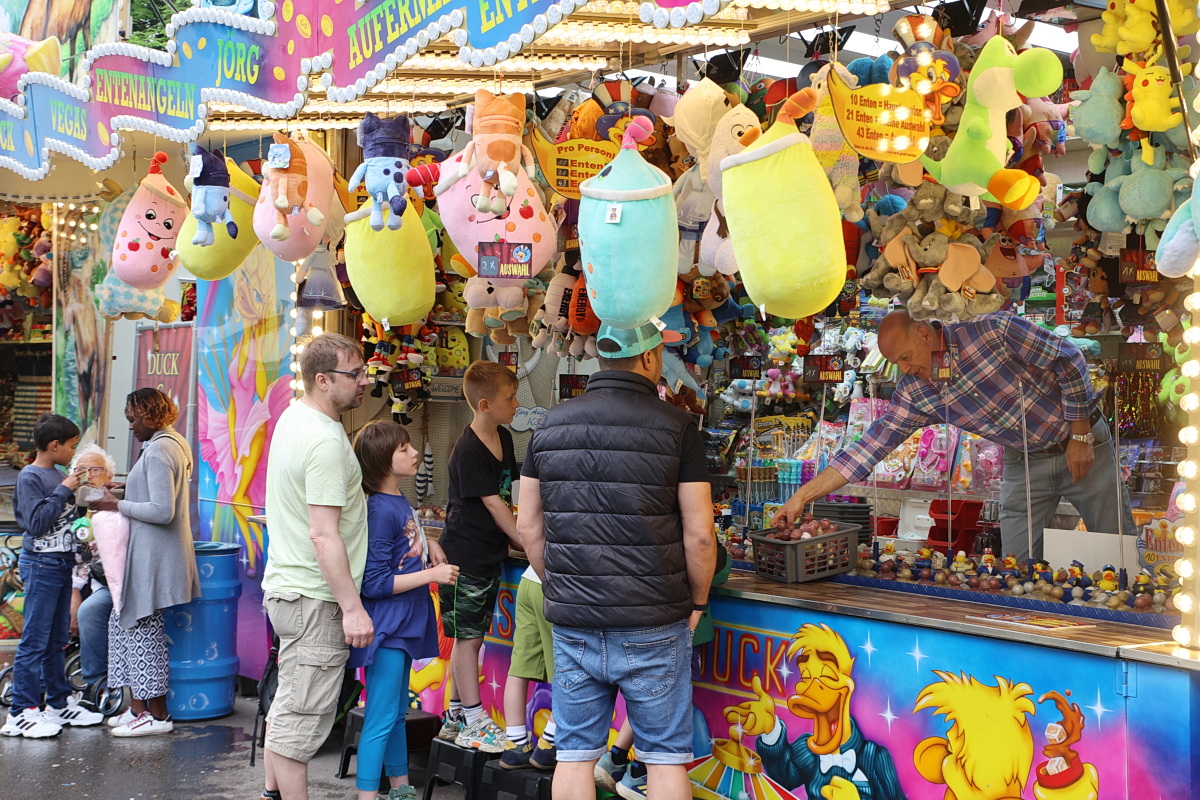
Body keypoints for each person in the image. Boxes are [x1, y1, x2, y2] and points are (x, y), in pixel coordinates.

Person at [518, 321, 716, 800]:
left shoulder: (549, 425)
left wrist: (562, 585)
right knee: (665, 759)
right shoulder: (678, 427)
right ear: (649, 358)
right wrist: (698, 603)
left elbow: (528, 526)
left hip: (574, 621)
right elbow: (700, 536)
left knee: (573, 755)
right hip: (654, 621)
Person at [774, 310, 1136, 562]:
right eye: (897, 364)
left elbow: (1068, 358)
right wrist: (801, 498)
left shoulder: (992, 330)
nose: (905, 369)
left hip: (1082, 441)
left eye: (906, 357)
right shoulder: (916, 391)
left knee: (1116, 545)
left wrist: (1080, 435)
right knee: (1017, 559)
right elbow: (868, 448)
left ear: (924, 333)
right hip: (1024, 460)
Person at [258, 332, 374, 800]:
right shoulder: (324, 440)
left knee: (289, 705)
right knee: (302, 721)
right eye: (355, 374)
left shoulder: (295, 417)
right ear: (323, 380)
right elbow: (323, 534)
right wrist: (352, 607)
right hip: (315, 598)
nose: (364, 381)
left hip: (290, 590)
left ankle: (271, 793)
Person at [350, 420, 459, 800]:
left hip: (402, 624)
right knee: (381, 718)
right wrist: (431, 574)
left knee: (396, 714)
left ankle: (402, 789)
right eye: (404, 449)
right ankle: (367, 795)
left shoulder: (397, 502)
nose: (414, 453)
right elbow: (375, 582)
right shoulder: (380, 509)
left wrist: (429, 544)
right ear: (383, 460)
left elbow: (401, 548)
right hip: (388, 627)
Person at [91, 389, 200, 737]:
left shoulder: (159, 450)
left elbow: (162, 510)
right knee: (125, 624)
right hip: (152, 556)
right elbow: (156, 495)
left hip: (154, 558)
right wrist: (125, 490)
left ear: (150, 415)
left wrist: (115, 504)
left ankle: (157, 716)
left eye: (133, 419)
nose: (131, 426)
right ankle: (138, 709)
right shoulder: (170, 442)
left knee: (142, 632)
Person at [437, 360, 523, 753]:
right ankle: (474, 719)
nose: (517, 404)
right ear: (485, 405)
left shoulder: (504, 437)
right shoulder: (468, 450)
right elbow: (494, 504)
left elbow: (511, 494)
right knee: (467, 640)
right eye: (511, 398)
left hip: (489, 554)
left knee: (470, 637)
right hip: (464, 556)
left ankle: (455, 715)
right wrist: (525, 541)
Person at [1, 414, 103, 738]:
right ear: (54, 445)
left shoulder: (59, 475)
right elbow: (36, 523)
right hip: (41, 565)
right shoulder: (31, 476)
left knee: (57, 640)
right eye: (71, 446)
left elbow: (67, 520)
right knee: (34, 640)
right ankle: (21, 712)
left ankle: (58, 703)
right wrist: (63, 489)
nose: (73, 452)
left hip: (61, 564)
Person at [497, 563, 557, 771]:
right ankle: (550, 743)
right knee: (568, 669)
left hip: (530, 579)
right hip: (558, 586)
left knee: (520, 667)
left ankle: (515, 743)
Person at [70, 444, 117, 696]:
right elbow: (69, 559)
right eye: (81, 470)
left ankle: (95, 685)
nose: (88, 475)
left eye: (96, 469)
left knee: (89, 611)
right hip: (77, 584)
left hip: (109, 584)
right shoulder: (68, 509)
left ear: (109, 476)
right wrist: (73, 593)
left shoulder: (118, 507)